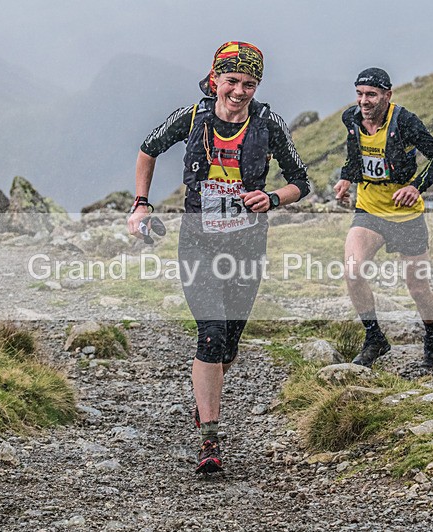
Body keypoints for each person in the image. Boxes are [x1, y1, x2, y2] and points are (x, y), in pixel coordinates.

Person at [128, 42, 309, 474]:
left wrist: (272, 197)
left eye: (249, 84)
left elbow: (301, 181)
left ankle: (206, 391)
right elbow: (147, 150)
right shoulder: (192, 117)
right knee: (209, 334)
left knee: (227, 344)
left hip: (248, 245)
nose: (239, 91)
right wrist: (141, 204)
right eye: (231, 82)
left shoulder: (268, 123)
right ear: (215, 80)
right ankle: (210, 438)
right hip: (198, 242)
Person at [333, 67, 433, 374]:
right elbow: (354, 157)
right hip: (369, 209)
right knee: (352, 270)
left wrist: (415, 187)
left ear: (387, 94)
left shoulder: (406, 122)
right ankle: (374, 338)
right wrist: (346, 179)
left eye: (371, 94)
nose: (364, 101)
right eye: (359, 94)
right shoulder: (352, 119)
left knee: (418, 288)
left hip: (406, 215)